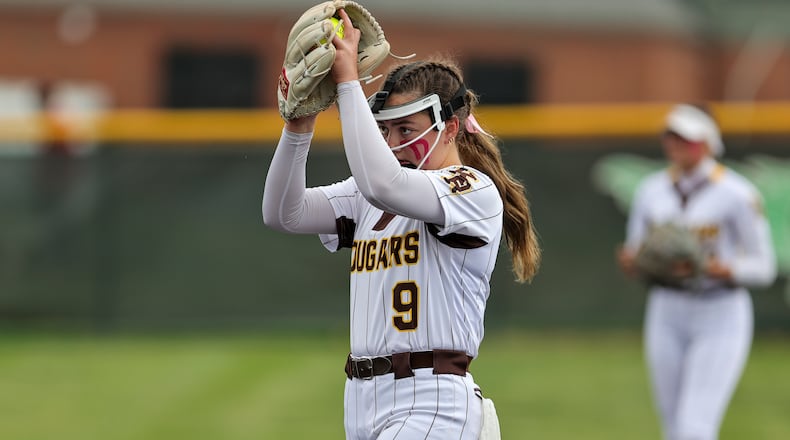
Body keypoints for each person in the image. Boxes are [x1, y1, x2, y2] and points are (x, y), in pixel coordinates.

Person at [262, 9, 540, 440]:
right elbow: (283, 213)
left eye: (406, 129)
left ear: (450, 128)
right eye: (386, 131)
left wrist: (348, 82)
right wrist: (299, 125)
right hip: (361, 399)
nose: (393, 144)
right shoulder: (370, 194)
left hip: (432, 400)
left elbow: (383, 184)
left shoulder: (471, 189)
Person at [617, 103, 777, 440]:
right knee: (673, 427)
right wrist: (636, 261)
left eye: (685, 138)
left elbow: (764, 267)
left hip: (719, 311)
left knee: (695, 427)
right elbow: (635, 249)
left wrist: (717, 268)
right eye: (670, 136)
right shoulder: (651, 190)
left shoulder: (737, 193)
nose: (675, 144)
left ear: (708, 143)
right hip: (666, 309)